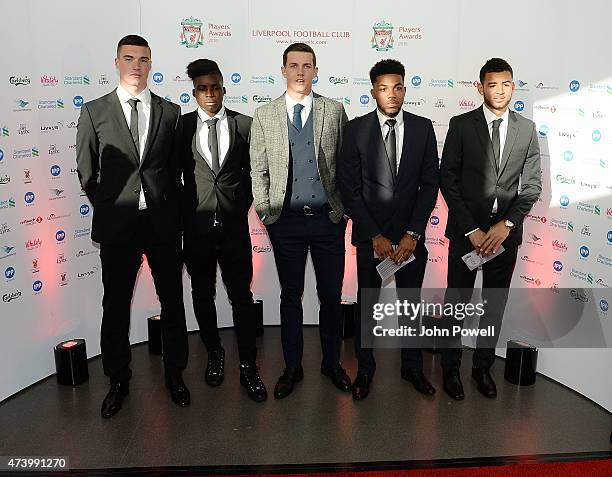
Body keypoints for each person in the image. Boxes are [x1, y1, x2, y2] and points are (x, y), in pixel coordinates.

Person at [76, 35, 190, 418]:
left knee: (173, 301)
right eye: (129, 58)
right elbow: (87, 173)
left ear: (150, 63)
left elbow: (177, 171)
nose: (136, 65)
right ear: (117, 62)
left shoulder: (170, 113)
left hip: (162, 225)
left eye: (143, 59)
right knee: (116, 305)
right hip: (119, 227)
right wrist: (114, 207)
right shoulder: (94, 111)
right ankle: (117, 380)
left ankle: (176, 375)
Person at [250, 43, 351, 399]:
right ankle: (292, 366)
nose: (300, 72)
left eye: (307, 66)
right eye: (294, 65)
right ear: (283, 69)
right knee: (290, 296)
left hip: (328, 221)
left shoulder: (335, 111)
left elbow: (346, 165)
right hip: (286, 224)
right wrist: (267, 214)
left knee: (331, 296)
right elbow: (258, 170)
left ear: (316, 70)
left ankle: (332, 363)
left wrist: (343, 212)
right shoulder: (264, 116)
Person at [439, 58, 541, 400]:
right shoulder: (462, 124)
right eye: (493, 84)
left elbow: (531, 187)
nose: (500, 91)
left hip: (504, 237)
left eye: (506, 84)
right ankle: (450, 369)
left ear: (513, 86)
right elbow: (448, 180)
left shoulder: (526, 129)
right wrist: (472, 231)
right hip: (468, 236)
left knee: (493, 305)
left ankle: (482, 368)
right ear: (480, 87)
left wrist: (506, 225)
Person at [339, 59, 440, 400]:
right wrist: (374, 236)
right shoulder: (355, 130)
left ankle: (412, 368)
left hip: (410, 240)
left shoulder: (424, 128)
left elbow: (430, 185)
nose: (391, 94)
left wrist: (413, 234)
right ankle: (364, 371)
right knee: (367, 307)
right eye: (383, 88)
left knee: (410, 306)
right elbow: (349, 188)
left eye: (397, 87)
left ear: (405, 89)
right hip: (373, 240)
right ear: (373, 92)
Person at [181, 59, 267, 402]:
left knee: (241, 299)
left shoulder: (244, 124)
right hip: (197, 230)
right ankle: (215, 354)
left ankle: (248, 365)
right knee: (202, 296)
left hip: (233, 230)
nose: (210, 94)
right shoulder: (181, 128)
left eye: (215, 87)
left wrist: (237, 204)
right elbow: (174, 177)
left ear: (224, 88)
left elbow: (256, 173)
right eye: (202, 88)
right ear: (194, 93)